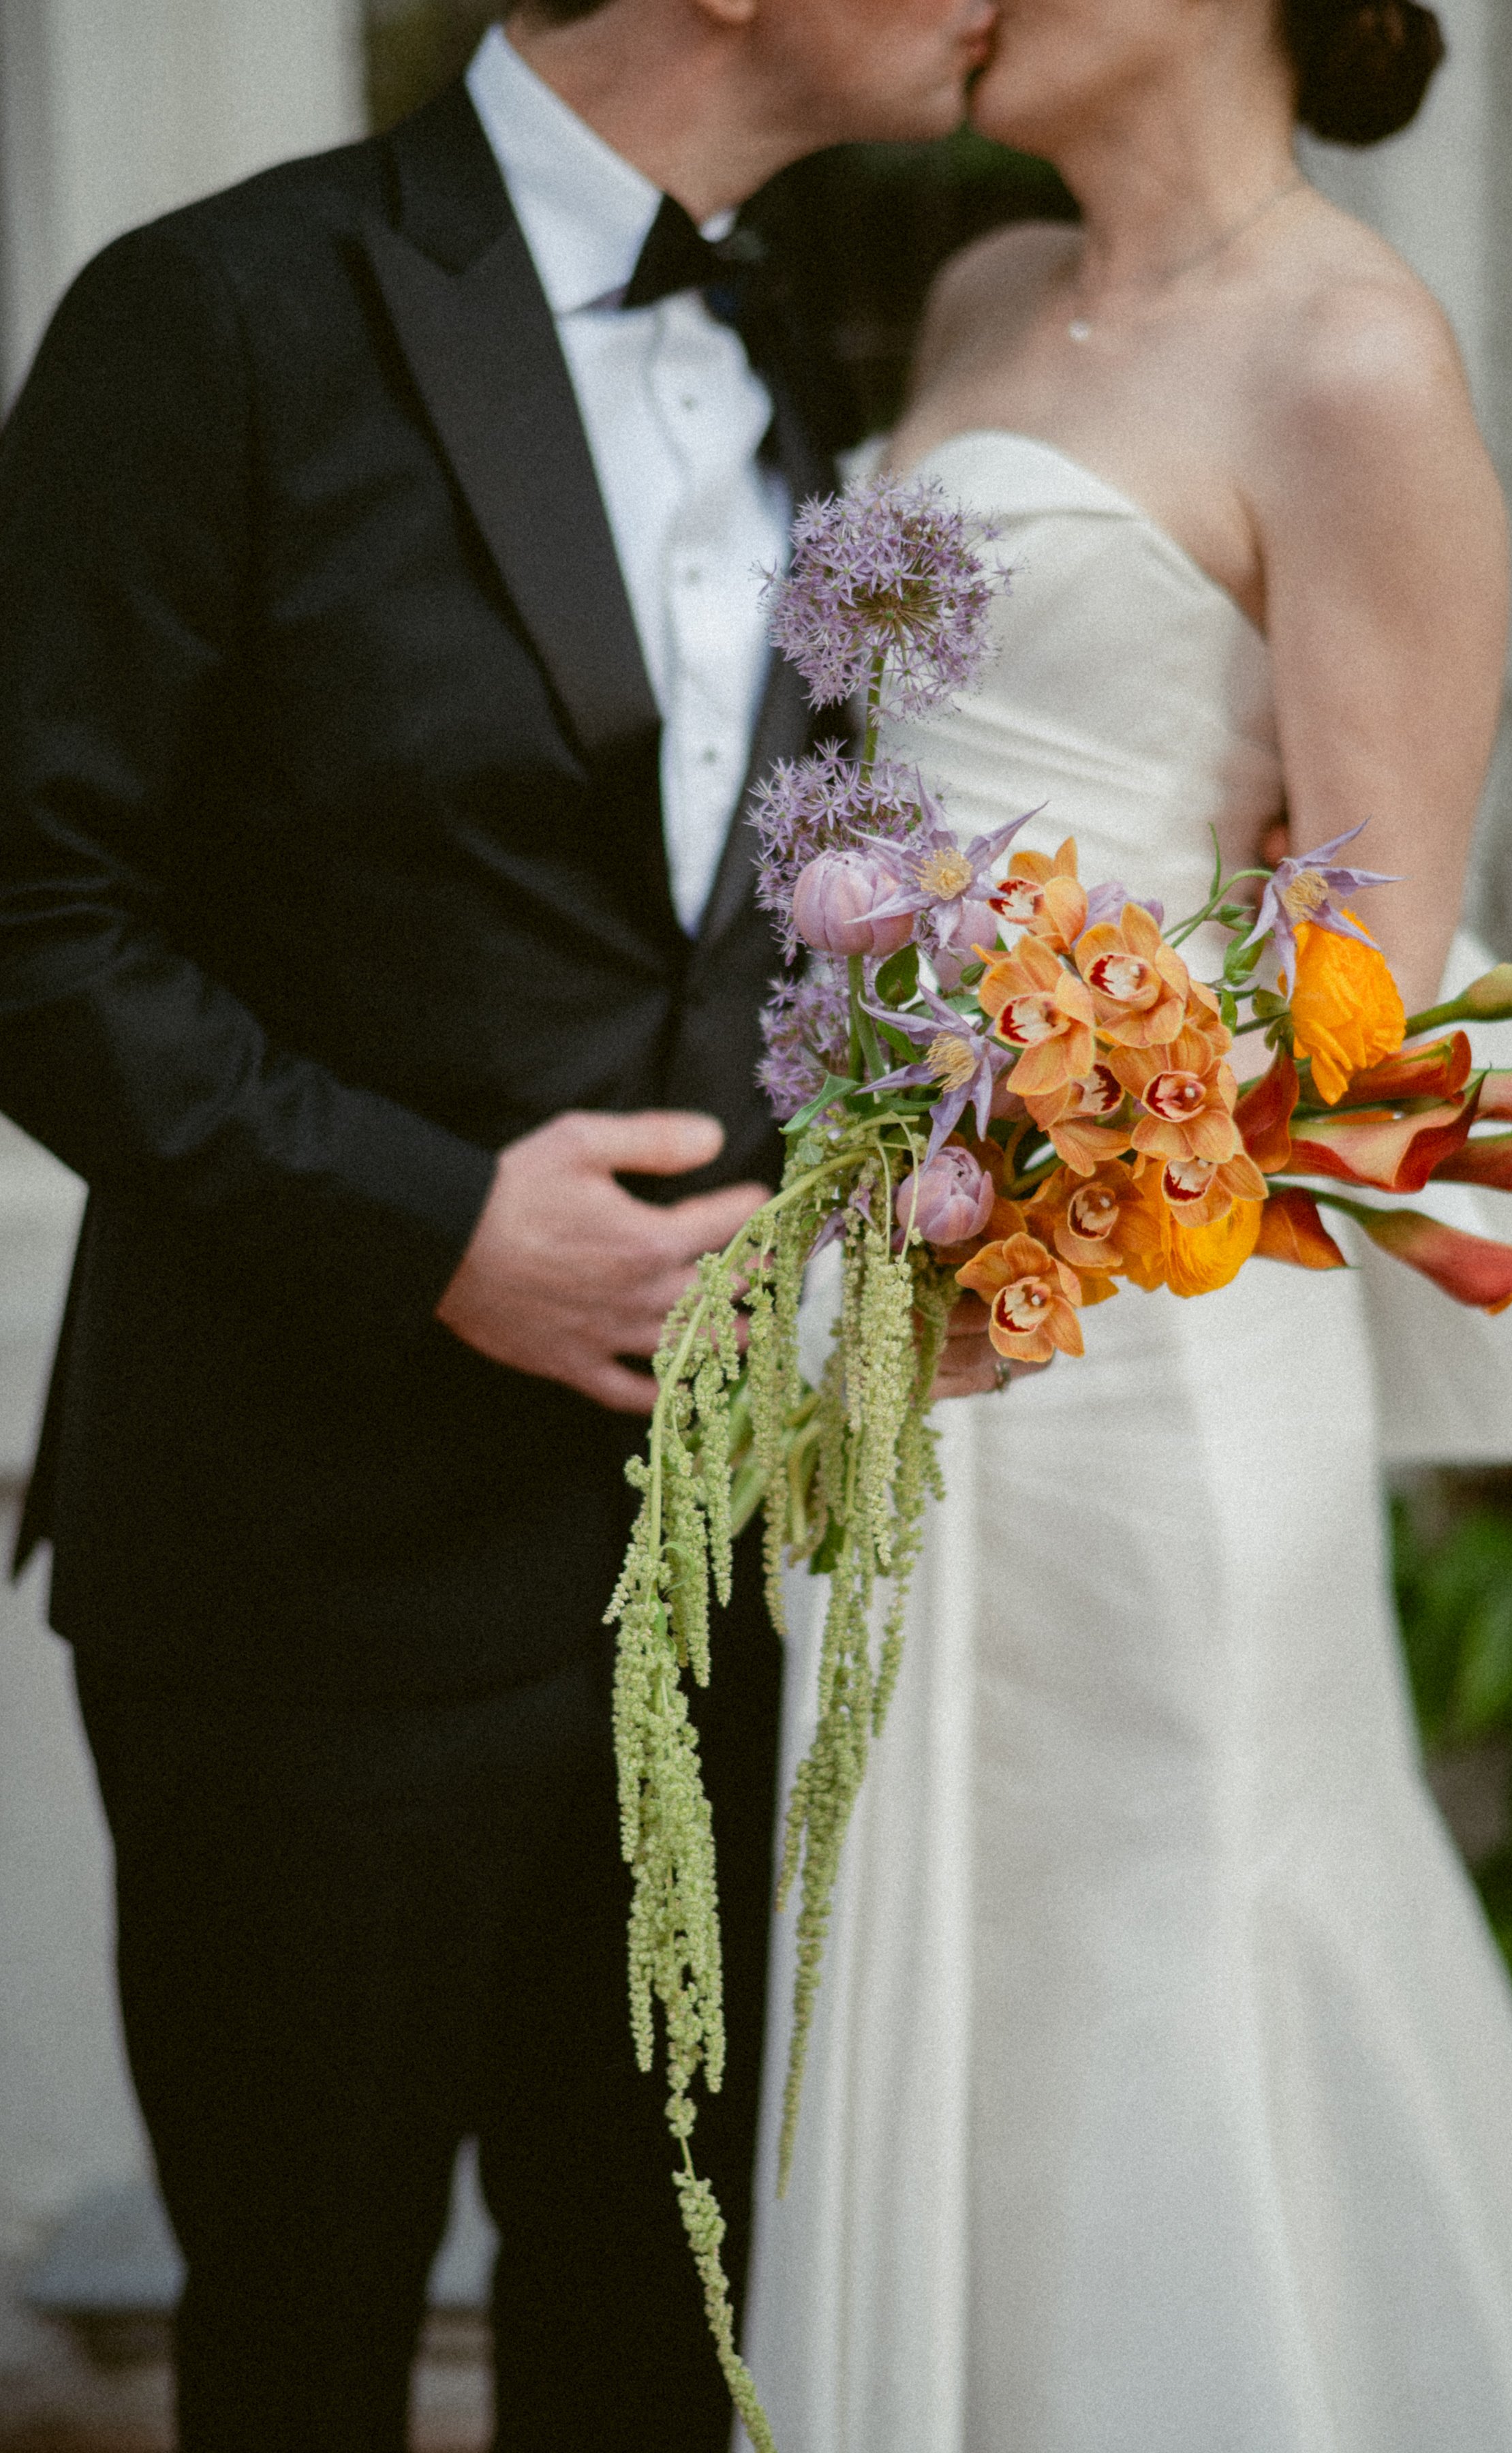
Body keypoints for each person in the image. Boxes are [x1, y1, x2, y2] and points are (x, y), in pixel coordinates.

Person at [0, 1, 999, 2446]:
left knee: (662, 2329)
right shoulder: (216, 313)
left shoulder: (796, 337)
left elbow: (781, 921)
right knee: (307, 2335)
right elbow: (34, 905)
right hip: (305, 1556)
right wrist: (432, 1220)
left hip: (715, 1565)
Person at [739, 3, 1512, 2448]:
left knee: (1151, 1985)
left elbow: (1358, 1038)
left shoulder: (1352, 360)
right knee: (922, 1986)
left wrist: (1050, 1161)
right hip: (877, 1298)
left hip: (1133, 1360)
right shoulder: (974, 294)